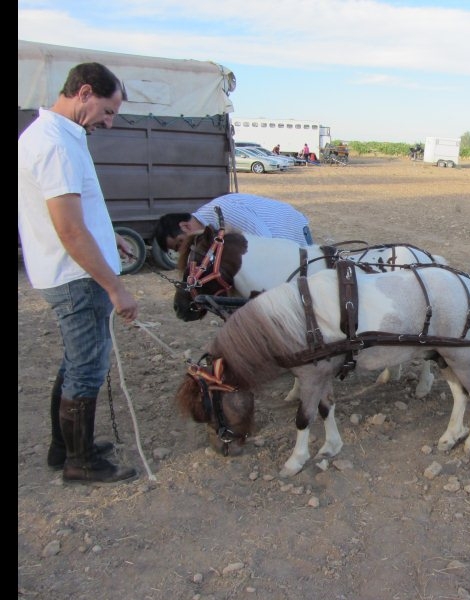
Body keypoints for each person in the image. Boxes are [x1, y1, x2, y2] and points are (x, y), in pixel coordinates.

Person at [17, 62, 139, 484]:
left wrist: (109, 236)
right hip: (76, 278)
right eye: (107, 111)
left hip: (70, 272)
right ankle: (80, 462)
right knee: (87, 367)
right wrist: (116, 288)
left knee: (76, 362)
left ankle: (65, 448)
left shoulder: (56, 135)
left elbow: (78, 212)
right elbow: (68, 228)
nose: (109, 122)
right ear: (84, 92)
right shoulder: (56, 145)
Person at [154, 193, 314, 254]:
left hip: (293, 235)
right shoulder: (211, 228)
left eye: (181, 243)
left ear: (184, 226)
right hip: (281, 245)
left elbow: (264, 240)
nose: (187, 250)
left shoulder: (221, 211)